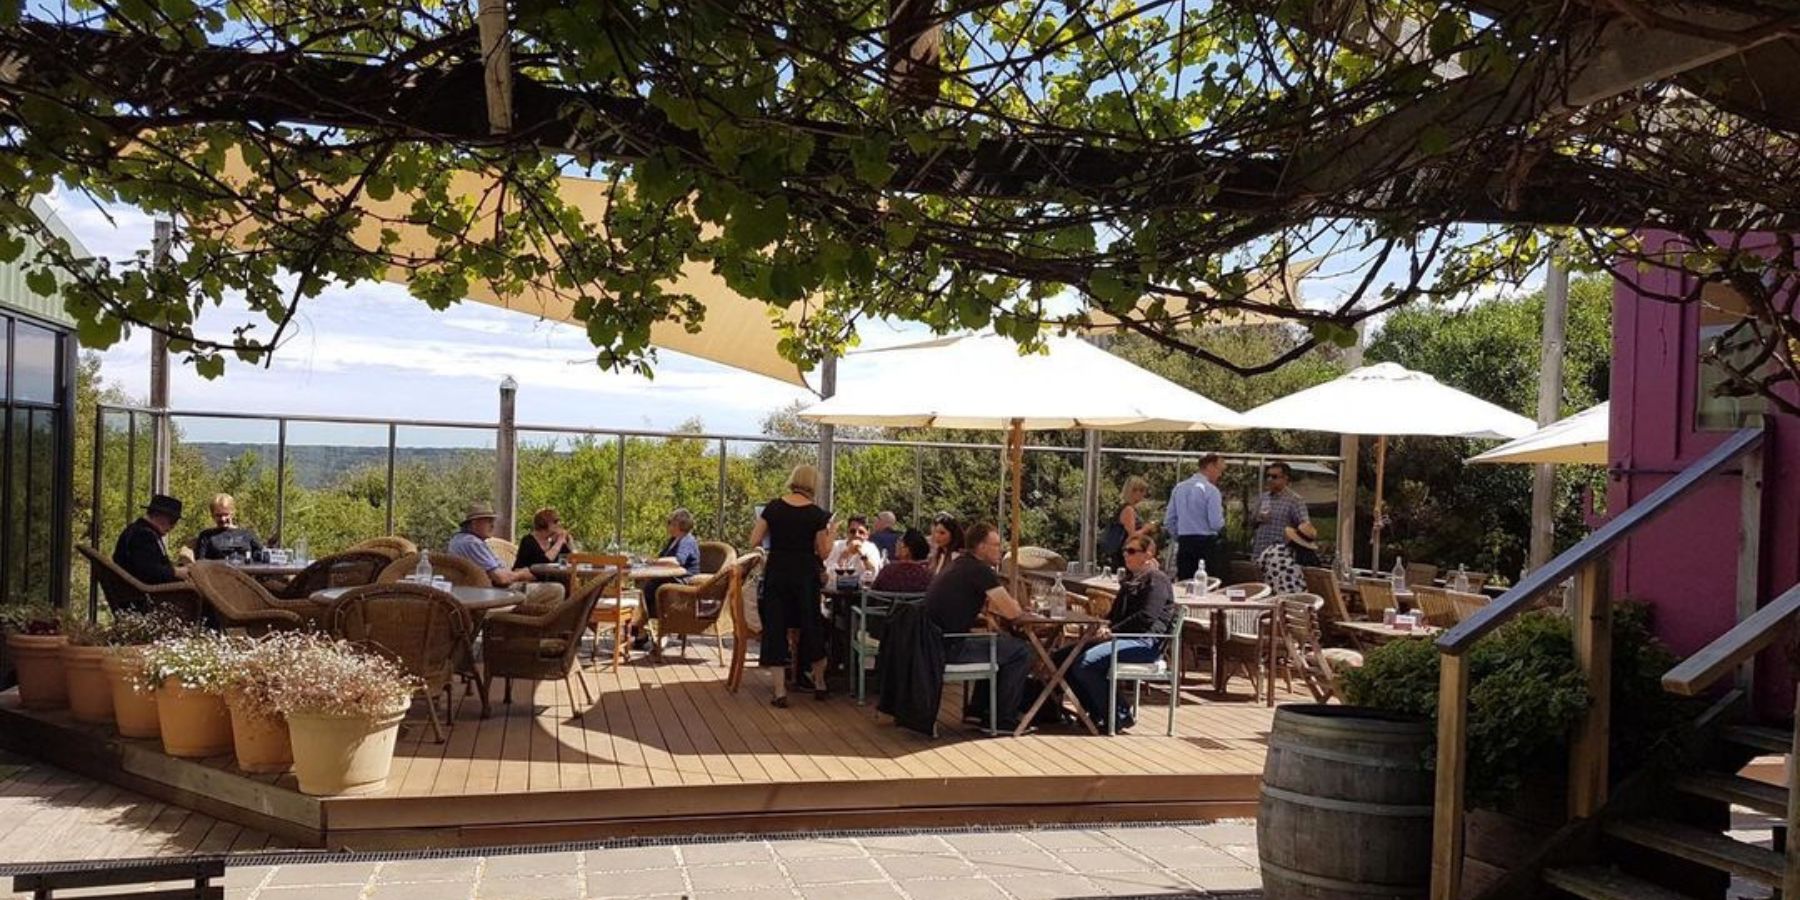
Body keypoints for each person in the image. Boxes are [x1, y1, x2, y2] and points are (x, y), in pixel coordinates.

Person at [1052, 534, 1175, 731]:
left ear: (1148, 554)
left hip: (1144, 642)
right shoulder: (1130, 581)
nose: (1126, 555)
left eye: (1132, 551)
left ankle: (1118, 714)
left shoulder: (1156, 580)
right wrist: (1104, 625)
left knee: (1085, 663)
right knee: (1061, 658)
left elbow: (1146, 617)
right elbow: (1114, 614)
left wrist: (1112, 630)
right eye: (1125, 551)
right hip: (1122, 637)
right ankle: (1089, 711)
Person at [922, 522, 1032, 733]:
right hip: (948, 647)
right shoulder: (980, 570)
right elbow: (1012, 612)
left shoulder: (959, 564)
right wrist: (1017, 606)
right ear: (981, 548)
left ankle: (977, 711)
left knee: (998, 646)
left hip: (932, 643)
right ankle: (1003, 720)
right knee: (1022, 651)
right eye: (996, 545)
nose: (1001, 549)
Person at [748, 464, 834, 708]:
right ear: (813, 484)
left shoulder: (773, 508)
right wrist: (831, 532)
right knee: (811, 625)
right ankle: (819, 684)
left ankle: (779, 691)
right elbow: (824, 553)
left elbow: (754, 540)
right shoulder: (818, 514)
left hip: (778, 571)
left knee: (776, 628)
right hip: (805, 574)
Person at [447, 502, 562, 601]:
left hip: (486, 590)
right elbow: (501, 578)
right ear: (474, 523)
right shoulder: (472, 543)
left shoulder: (460, 540)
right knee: (557, 589)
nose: (493, 525)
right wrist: (522, 574)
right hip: (494, 594)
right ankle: (533, 624)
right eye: (488, 521)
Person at [637, 508, 702, 653]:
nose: (668, 526)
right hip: (669, 578)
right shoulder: (673, 540)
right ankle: (641, 632)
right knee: (643, 588)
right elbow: (662, 558)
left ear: (679, 525)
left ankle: (647, 632)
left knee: (648, 590)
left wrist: (654, 562)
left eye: (670, 522)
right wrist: (652, 562)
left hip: (682, 583)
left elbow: (676, 561)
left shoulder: (687, 540)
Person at [1253, 462, 1318, 595]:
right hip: (1259, 553)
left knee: (1276, 592)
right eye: (1268, 476)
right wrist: (1257, 518)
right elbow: (1251, 522)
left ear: (1285, 479)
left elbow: (1305, 526)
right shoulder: (1263, 497)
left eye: (1275, 476)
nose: (1270, 480)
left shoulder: (1294, 500)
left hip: (1280, 560)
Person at [1164, 453, 1226, 581]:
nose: (1220, 475)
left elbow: (1169, 520)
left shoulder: (1179, 488)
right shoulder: (1211, 491)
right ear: (1210, 466)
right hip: (1207, 544)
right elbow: (1216, 523)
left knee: (1184, 584)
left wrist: (1180, 536)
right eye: (1219, 470)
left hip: (1185, 543)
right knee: (1207, 585)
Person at [113, 494, 185, 586]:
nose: (173, 526)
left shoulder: (140, 531)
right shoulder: (142, 535)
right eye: (172, 521)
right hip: (142, 594)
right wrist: (175, 572)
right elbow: (148, 571)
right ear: (158, 515)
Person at [190, 493, 265, 562]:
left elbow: (262, 556)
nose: (223, 519)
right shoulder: (206, 536)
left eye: (226, 514)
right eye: (218, 515)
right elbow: (201, 562)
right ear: (212, 515)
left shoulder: (247, 534)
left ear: (232, 513)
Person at [1098, 476, 1153, 570]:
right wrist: (1146, 528)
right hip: (1124, 554)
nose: (1144, 494)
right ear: (1134, 491)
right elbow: (1132, 536)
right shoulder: (1128, 510)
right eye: (1142, 490)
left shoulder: (1128, 508)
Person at [871, 528, 934, 593]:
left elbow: (874, 593)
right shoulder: (927, 576)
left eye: (900, 541)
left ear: (906, 550)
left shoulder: (888, 571)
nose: (896, 543)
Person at [826, 515, 883, 583]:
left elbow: (874, 574)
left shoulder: (871, 548)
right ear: (847, 532)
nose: (856, 535)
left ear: (867, 534)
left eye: (861, 532)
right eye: (853, 531)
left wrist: (862, 554)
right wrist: (846, 553)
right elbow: (829, 573)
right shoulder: (836, 546)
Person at [926, 513, 964, 578]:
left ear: (953, 535)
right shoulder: (939, 555)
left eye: (942, 533)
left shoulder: (957, 557)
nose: (937, 536)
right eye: (936, 532)